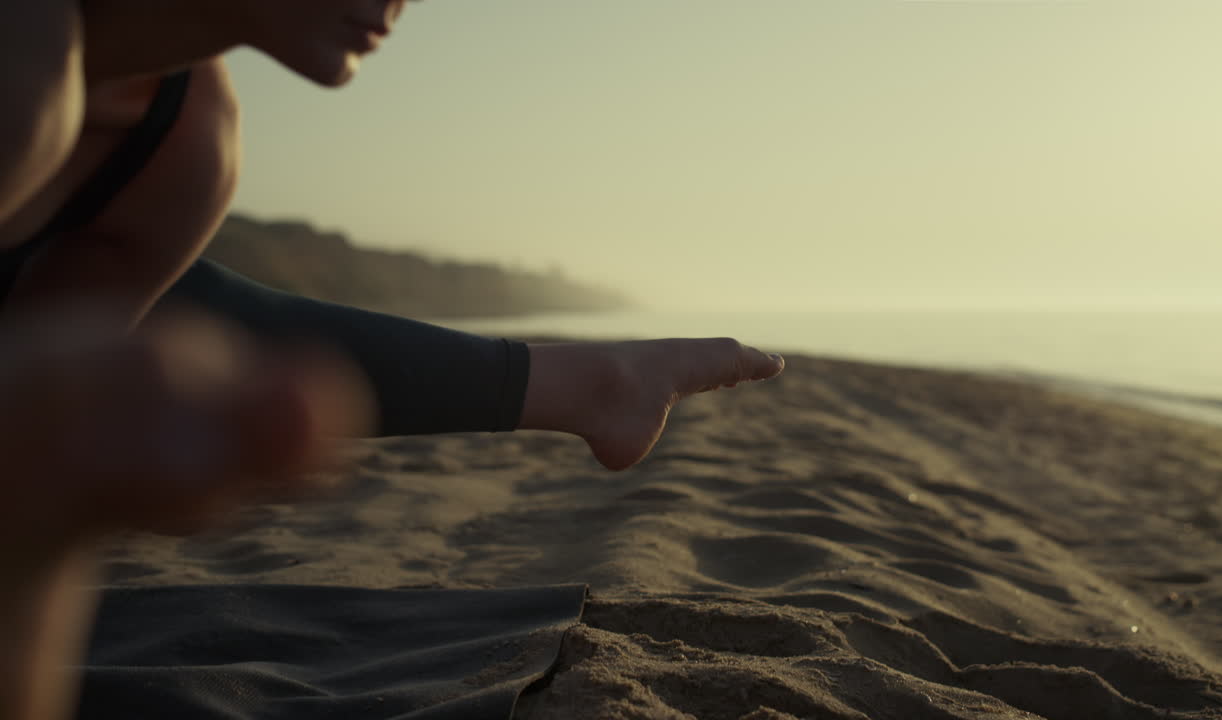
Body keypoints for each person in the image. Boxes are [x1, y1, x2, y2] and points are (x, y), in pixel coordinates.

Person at [0, 2, 785, 718]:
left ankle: (584, 383)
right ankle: (581, 383)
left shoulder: (190, 141)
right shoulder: (28, 61)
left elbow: (33, 497)